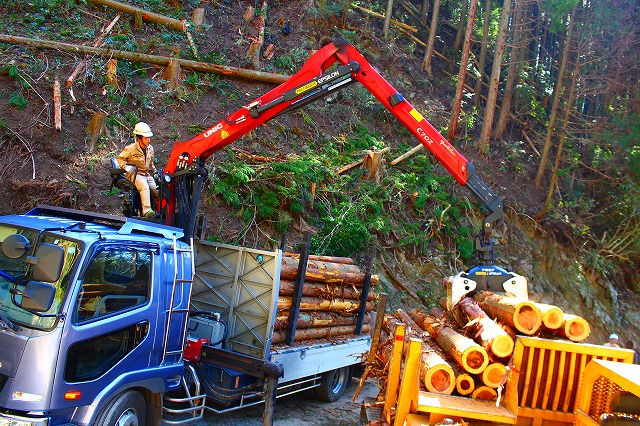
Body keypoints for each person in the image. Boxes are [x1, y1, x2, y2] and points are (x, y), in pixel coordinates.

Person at [116, 122, 158, 218]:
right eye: (146, 138)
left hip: (146, 174)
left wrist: (155, 172)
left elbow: (151, 164)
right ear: (139, 138)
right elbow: (120, 159)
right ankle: (147, 212)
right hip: (135, 174)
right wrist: (125, 167)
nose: (148, 140)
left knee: (156, 190)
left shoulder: (150, 149)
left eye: (149, 137)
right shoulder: (131, 149)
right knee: (144, 187)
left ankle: (159, 210)